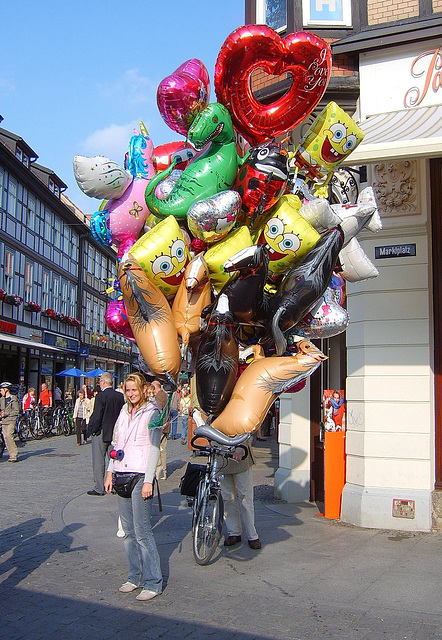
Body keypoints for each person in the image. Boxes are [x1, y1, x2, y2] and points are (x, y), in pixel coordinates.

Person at [104, 374, 163, 601]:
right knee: (128, 533)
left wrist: (149, 479)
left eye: (134, 390)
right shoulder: (122, 412)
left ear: (142, 389)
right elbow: (116, 443)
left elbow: (154, 448)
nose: (131, 394)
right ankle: (134, 576)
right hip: (121, 473)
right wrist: (110, 471)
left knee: (142, 532)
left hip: (140, 477)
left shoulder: (152, 412)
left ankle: (153, 581)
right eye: (127, 391)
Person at [86, 372, 125, 496]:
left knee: (99, 461)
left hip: (101, 432)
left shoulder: (101, 396)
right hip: (115, 432)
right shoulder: (119, 396)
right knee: (114, 459)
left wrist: (91, 429)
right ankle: (114, 484)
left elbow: (97, 415)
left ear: (103, 382)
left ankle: (99, 487)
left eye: (100, 382)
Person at [219, 440, 261, 550]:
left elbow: (246, 429)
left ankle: (252, 535)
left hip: (241, 459)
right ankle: (234, 532)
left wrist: (240, 450)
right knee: (228, 498)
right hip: (221, 458)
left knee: (245, 498)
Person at [152, 380, 169, 481]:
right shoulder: (165, 395)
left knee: (157, 449)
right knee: (163, 450)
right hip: (166, 425)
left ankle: (158, 472)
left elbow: (158, 411)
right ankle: (164, 471)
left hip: (161, 426)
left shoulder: (159, 396)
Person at [0, 382, 20, 463]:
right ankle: (11, 454)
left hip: (11, 420)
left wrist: (6, 413)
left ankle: (14, 455)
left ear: (6, 390)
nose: (0, 392)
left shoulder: (13, 399)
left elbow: (16, 411)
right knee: (5, 438)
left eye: (1, 390)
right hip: (4, 420)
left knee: (9, 436)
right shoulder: (1, 399)